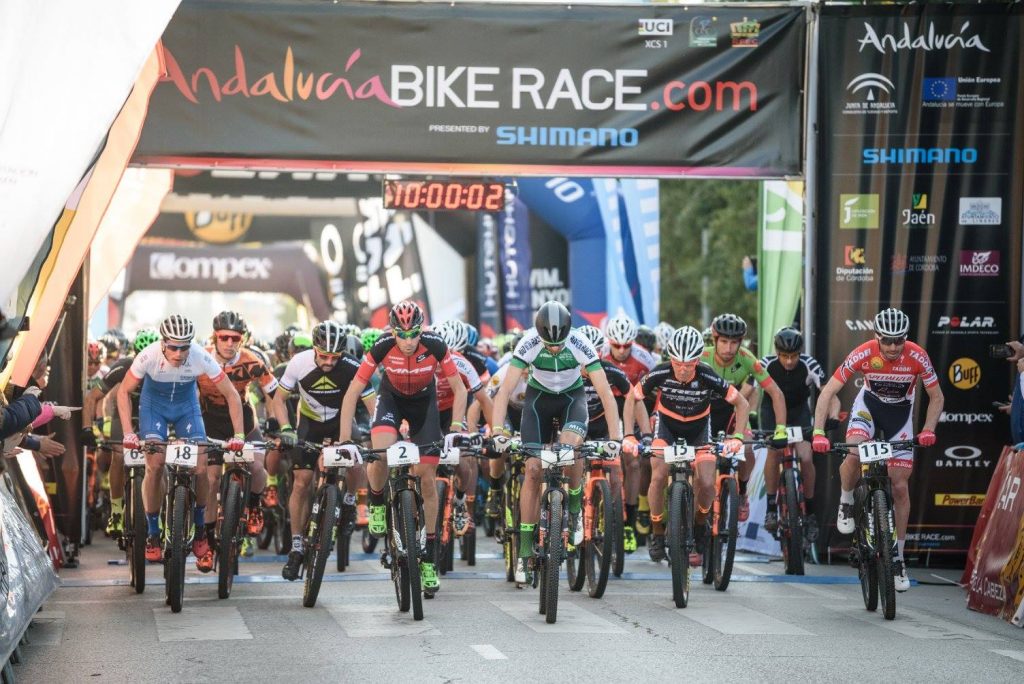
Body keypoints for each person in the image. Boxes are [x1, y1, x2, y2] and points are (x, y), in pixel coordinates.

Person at [338, 300, 466, 595]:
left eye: (414, 334)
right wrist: (345, 438)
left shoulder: (435, 344)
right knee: (380, 453)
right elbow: (353, 391)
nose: (408, 342)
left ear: (422, 330)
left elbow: (459, 389)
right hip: (391, 401)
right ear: (392, 331)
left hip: (425, 405)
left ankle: (429, 558)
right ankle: (377, 501)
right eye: (402, 335)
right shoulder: (382, 345)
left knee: (427, 478)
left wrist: (457, 427)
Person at [812, 307, 943, 592]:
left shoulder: (918, 355)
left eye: (899, 340)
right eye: (887, 340)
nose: (893, 347)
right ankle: (847, 500)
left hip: (900, 416)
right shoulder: (863, 352)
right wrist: (818, 432)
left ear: (906, 338)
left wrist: (929, 428)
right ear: (876, 337)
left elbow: (936, 396)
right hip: (868, 409)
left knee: (900, 487)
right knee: (854, 452)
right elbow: (828, 392)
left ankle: (897, 559)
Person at [490, 301, 622, 583]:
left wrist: (616, 438)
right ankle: (525, 551)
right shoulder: (528, 343)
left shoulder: (580, 343)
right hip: (538, 402)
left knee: (571, 449)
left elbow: (606, 394)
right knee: (533, 469)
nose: (553, 349)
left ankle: (574, 510)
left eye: (558, 344)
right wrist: (498, 431)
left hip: (572, 400)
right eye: (548, 344)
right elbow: (504, 392)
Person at [117, 314, 246, 567]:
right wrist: (128, 433)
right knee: (155, 466)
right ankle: (153, 532)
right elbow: (123, 392)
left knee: (202, 469)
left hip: (187, 410)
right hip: (154, 409)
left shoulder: (200, 356)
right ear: (163, 343)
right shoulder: (148, 356)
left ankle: (200, 528)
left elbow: (232, 395)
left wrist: (239, 435)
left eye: (184, 347)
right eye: (173, 347)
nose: (179, 353)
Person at [624, 326, 748, 564]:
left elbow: (741, 403)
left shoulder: (707, 374)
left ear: (697, 360)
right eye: (677, 363)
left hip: (699, 430)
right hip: (667, 427)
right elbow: (633, 397)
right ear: (670, 358)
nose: (682, 369)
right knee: (659, 475)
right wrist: (629, 434)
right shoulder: (661, 371)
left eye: (689, 365)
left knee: (706, 482)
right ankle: (657, 532)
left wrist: (738, 437)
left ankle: (700, 525)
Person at [273, 320, 376, 581]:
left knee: (356, 461)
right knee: (301, 482)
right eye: (323, 356)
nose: (329, 362)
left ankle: (350, 502)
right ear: (314, 349)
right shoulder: (299, 362)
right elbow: (278, 400)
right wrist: (286, 428)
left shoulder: (353, 366)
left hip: (342, 423)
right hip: (310, 425)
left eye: (334, 357)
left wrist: (378, 430)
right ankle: (297, 546)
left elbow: (372, 406)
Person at [198, 311, 278, 566]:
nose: (230, 343)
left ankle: (253, 505)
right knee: (210, 480)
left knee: (256, 467)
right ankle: (208, 541)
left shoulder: (251, 360)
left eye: (235, 338)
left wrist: (279, 424)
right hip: (210, 421)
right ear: (215, 337)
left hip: (243, 420)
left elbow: (274, 393)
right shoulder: (200, 358)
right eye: (224, 337)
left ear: (242, 339)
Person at [702, 313, 787, 522]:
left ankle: (741, 492)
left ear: (741, 342)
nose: (728, 348)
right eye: (724, 342)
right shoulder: (702, 356)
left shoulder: (747, 358)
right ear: (715, 339)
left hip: (735, 412)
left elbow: (776, 393)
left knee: (747, 449)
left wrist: (781, 429)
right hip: (706, 413)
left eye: (734, 343)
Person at [758, 327, 839, 541]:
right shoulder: (765, 364)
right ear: (777, 353)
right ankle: (771, 508)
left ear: (800, 353)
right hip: (771, 413)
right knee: (774, 452)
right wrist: (748, 417)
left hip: (798, 413)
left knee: (806, 457)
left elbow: (830, 394)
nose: (789, 361)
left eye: (793, 356)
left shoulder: (809, 364)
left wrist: (833, 416)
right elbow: (749, 391)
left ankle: (810, 513)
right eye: (784, 356)